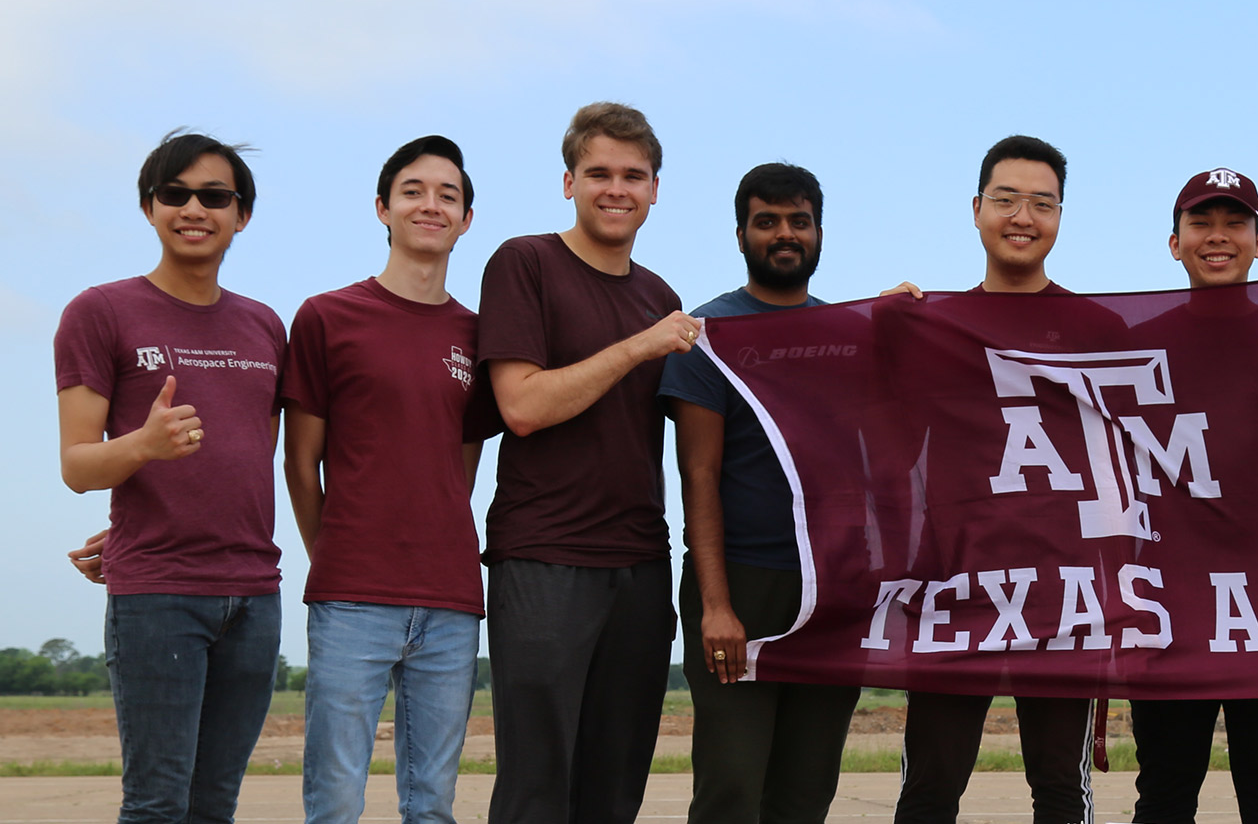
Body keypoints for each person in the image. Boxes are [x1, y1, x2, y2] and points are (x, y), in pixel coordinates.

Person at [477, 102, 706, 824]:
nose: (617, 189)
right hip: (546, 559)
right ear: (569, 182)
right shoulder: (526, 262)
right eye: (599, 173)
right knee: (538, 785)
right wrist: (640, 346)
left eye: (633, 175)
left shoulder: (659, 296)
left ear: (656, 189)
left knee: (615, 787)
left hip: (639, 565)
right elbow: (522, 405)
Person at [54, 131, 286, 824]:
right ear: (149, 207)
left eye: (215, 196)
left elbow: (246, 462)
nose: (194, 208)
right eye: (175, 193)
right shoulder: (101, 312)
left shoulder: (265, 326)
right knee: (157, 804)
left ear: (241, 215)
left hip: (254, 597)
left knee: (213, 805)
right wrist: (145, 446)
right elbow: (76, 466)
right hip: (158, 596)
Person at [281, 135, 495, 824]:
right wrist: (337, 555)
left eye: (448, 195)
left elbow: (460, 465)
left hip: (452, 599)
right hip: (351, 597)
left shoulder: (479, 335)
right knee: (337, 798)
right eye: (413, 191)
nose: (430, 204)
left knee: (432, 802)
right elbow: (299, 460)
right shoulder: (327, 316)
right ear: (382, 208)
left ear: (465, 220)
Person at [887, 134, 1101, 824]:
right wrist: (881, 332)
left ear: (1061, 216)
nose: (1022, 217)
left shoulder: (1100, 330)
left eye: (1042, 203)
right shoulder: (932, 326)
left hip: (1067, 595)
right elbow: (873, 444)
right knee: (929, 787)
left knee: (1061, 791)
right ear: (977, 209)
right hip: (956, 587)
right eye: (1006, 200)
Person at [659, 163, 861, 824]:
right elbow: (700, 479)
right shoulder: (709, 335)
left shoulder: (848, 338)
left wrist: (901, 320)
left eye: (797, 221)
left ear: (819, 232)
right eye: (767, 221)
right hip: (740, 585)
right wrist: (716, 605)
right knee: (732, 789)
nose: (784, 234)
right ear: (741, 234)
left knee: (805, 792)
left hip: (828, 591)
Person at [1126, 168, 1258, 824]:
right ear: (1173, 243)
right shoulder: (1133, 347)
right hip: (1168, 604)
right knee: (1167, 789)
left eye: (1235, 223)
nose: (1218, 237)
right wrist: (924, 323)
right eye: (1201, 223)